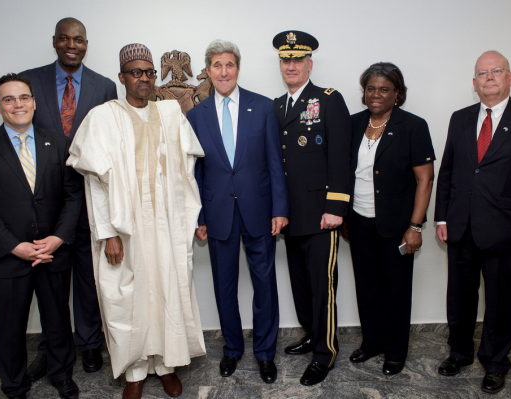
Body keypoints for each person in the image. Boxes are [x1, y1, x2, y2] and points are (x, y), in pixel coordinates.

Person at [66, 43, 206, 399]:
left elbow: (187, 170)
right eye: (136, 72)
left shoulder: (171, 113)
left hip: (165, 225)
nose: (143, 78)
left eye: (148, 72)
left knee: (168, 291)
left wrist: (186, 218)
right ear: (122, 77)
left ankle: (167, 365)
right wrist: (108, 233)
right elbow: (95, 184)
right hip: (124, 229)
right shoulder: (103, 117)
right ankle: (135, 371)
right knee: (126, 300)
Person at [435, 51, 511, 394]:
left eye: (496, 71)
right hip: (459, 227)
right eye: (482, 74)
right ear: (474, 84)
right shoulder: (460, 119)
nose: (489, 77)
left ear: (510, 77)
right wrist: (441, 216)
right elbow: (448, 172)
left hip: (507, 230)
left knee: (501, 303)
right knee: (459, 298)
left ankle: (495, 363)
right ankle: (458, 354)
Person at [0, 73, 82, 399]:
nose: (18, 104)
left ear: (33, 101)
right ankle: (14, 386)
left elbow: (73, 196)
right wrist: (16, 247)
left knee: (58, 321)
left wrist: (57, 239)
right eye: (9, 99)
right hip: (9, 258)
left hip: (53, 252)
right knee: (10, 329)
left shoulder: (57, 142)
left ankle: (61, 374)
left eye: (24, 97)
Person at [20, 17, 118, 378]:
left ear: (86, 44)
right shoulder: (30, 81)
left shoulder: (105, 86)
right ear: (55, 42)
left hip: (90, 196)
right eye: (64, 39)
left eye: (78, 39)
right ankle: (51, 348)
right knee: (50, 280)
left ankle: (89, 344)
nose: (71, 45)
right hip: (44, 199)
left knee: (89, 277)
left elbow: (109, 143)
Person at [186, 39, 289, 384]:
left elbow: (276, 161)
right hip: (218, 214)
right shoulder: (195, 115)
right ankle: (232, 349)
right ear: (208, 70)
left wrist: (280, 208)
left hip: (259, 210)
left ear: (238, 68)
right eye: (217, 65)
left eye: (229, 64)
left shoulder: (261, 107)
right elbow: (195, 173)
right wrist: (199, 217)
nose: (224, 71)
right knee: (224, 287)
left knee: (265, 285)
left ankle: (264, 353)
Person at [343, 63, 435, 376]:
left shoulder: (413, 126)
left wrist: (415, 226)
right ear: (364, 92)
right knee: (366, 288)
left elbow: (425, 179)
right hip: (358, 222)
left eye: (384, 89)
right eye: (371, 89)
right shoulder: (353, 124)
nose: (376, 95)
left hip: (397, 226)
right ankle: (372, 343)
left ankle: (395, 352)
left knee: (396, 291)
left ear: (397, 93)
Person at [272, 30, 352, 385]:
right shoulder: (276, 106)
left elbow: (341, 157)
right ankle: (309, 334)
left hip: (322, 214)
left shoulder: (329, 100)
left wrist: (336, 206)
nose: (291, 65)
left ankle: (325, 352)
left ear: (309, 63)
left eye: (298, 59)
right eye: (286, 60)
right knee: (301, 284)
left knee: (323, 287)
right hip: (290, 213)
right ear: (280, 64)